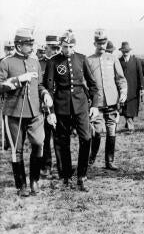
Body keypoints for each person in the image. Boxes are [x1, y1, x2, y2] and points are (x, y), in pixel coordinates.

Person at [0, 28, 54, 197]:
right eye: (28, 44)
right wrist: (18, 80)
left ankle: (35, 181)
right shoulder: (6, 62)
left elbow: (39, 85)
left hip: (35, 112)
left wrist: (45, 94)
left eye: (32, 44)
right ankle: (21, 185)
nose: (31, 47)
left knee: (39, 143)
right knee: (17, 149)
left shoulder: (35, 61)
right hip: (14, 112)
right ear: (18, 45)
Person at [44, 30, 100, 191]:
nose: (67, 49)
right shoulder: (53, 62)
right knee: (62, 143)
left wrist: (95, 105)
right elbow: (49, 89)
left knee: (86, 138)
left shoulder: (82, 59)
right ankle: (66, 177)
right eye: (64, 46)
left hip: (81, 106)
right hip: (61, 107)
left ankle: (82, 176)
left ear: (74, 46)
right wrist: (51, 111)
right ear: (60, 46)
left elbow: (93, 85)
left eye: (70, 46)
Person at [87, 29, 127, 170]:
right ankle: (91, 159)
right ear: (94, 43)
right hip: (97, 103)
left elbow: (121, 79)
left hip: (112, 101)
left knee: (111, 131)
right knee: (96, 132)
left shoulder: (112, 58)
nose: (102, 45)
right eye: (99, 43)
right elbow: (86, 83)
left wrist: (123, 92)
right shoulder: (89, 60)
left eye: (104, 42)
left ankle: (109, 161)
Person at [39, 34, 62, 178]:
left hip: (59, 106)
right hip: (42, 108)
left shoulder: (60, 62)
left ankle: (61, 167)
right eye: (52, 47)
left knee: (59, 137)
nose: (55, 50)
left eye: (57, 48)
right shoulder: (39, 63)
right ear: (46, 47)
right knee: (44, 138)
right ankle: (46, 166)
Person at [118, 41, 144, 132]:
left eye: (127, 51)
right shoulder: (119, 61)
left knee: (133, 107)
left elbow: (140, 75)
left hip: (134, 88)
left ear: (129, 51)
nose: (125, 52)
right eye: (124, 51)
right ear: (121, 51)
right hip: (124, 89)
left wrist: (142, 87)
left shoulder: (136, 61)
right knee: (125, 107)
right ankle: (130, 126)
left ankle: (129, 122)